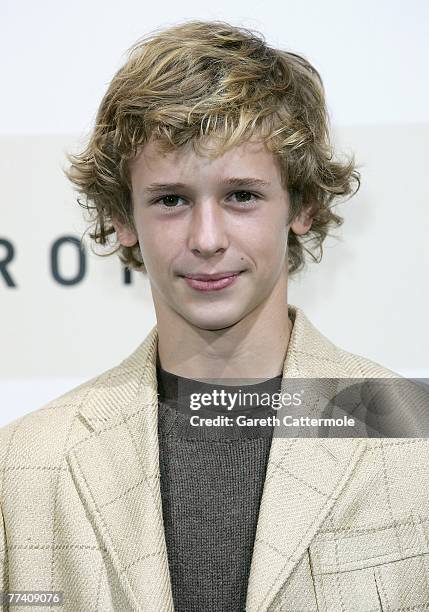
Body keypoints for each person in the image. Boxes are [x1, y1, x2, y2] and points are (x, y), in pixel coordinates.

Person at [1, 19, 428, 612]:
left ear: (301, 204)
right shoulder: (24, 467)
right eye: (171, 199)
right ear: (123, 218)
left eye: (242, 195)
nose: (206, 238)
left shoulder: (415, 439)